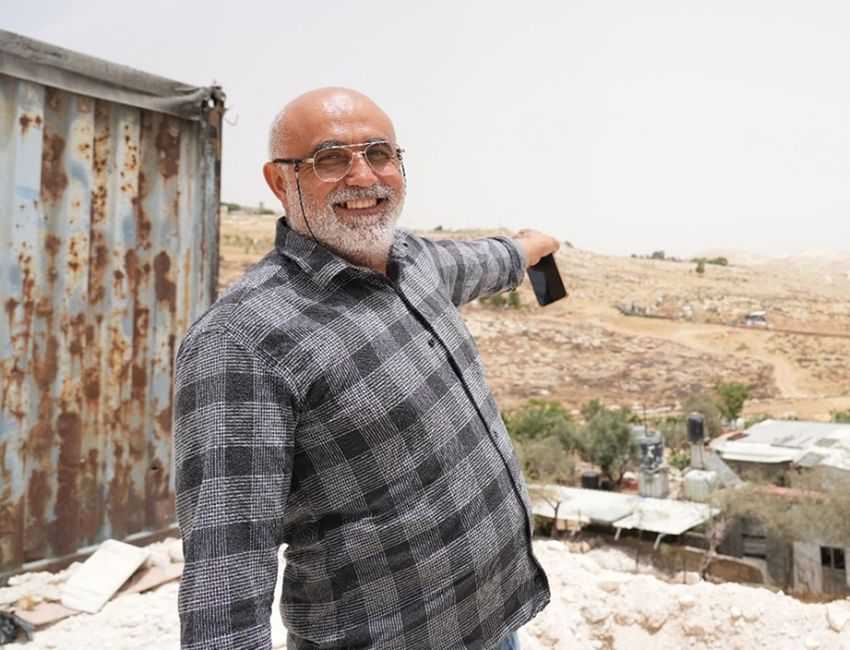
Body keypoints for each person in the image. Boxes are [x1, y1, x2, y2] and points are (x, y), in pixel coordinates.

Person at [174, 87, 558, 650]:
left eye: (380, 154)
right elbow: (225, 580)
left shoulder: (414, 262)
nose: (362, 176)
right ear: (281, 182)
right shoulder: (242, 341)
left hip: (497, 620)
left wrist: (529, 247)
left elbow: (486, 260)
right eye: (330, 159)